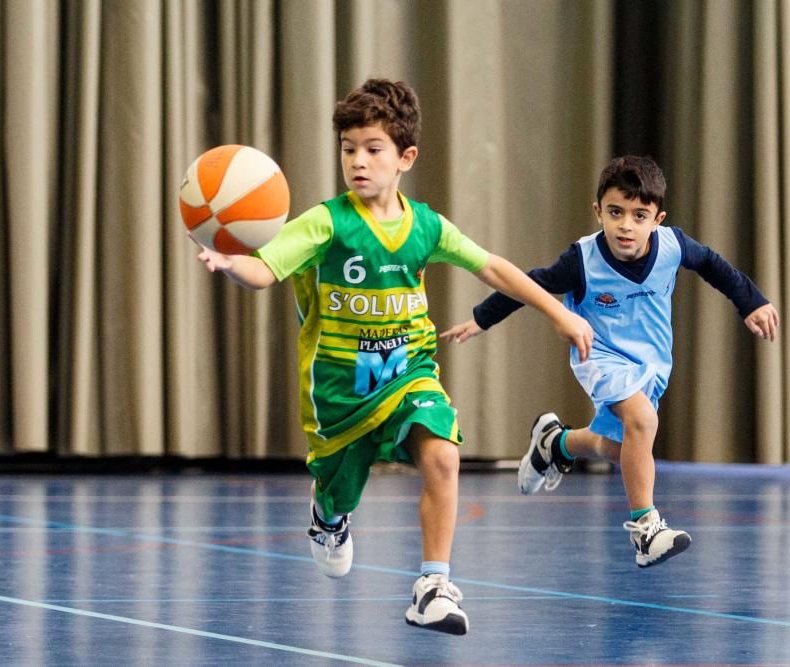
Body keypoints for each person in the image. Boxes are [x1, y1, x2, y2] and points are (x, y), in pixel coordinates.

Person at [193, 78, 593, 635]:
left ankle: (432, 586)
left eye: (372, 148)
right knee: (338, 491)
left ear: (405, 157)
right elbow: (265, 270)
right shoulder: (325, 222)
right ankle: (328, 516)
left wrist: (560, 313)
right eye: (348, 148)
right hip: (339, 392)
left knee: (442, 455)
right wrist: (232, 263)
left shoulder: (425, 226)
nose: (357, 160)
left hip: (408, 372)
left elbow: (493, 267)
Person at [442, 155, 780, 568]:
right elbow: (530, 285)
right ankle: (646, 529)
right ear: (597, 210)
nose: (626, 225)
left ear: (658, 219)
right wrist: (481, 318)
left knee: (624, 450)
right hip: (599, 355)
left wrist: (752, 302)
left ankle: (555, 442)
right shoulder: (582, 260)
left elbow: (713, 264)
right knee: (643, 422)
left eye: (640, 216)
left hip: (652, 363)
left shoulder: (674, 246)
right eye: (616, 212)